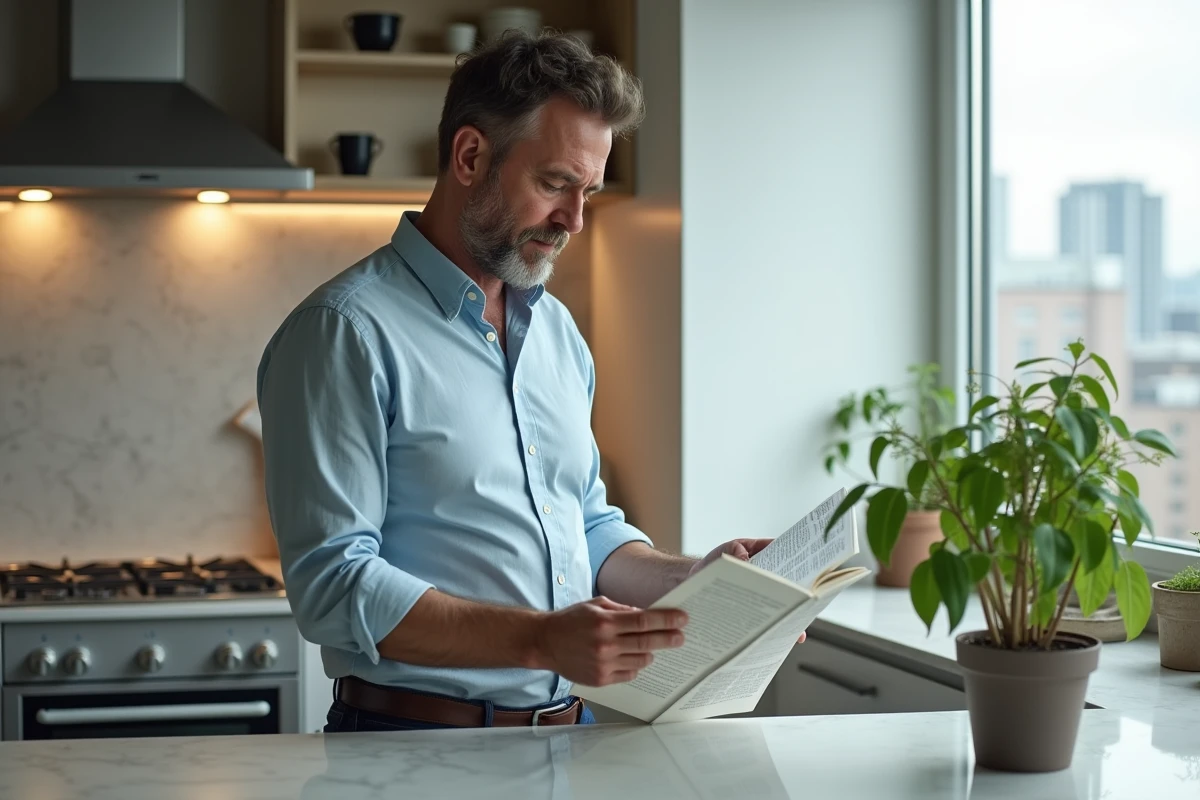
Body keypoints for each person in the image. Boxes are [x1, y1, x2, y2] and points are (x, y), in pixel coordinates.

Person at [257, 31, 799, 733]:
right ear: (470, 155)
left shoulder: (556, 333)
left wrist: (694, 581)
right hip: (410, 750)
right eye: (555, 184)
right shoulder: (343, 332)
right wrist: (541, 638)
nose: (574, 220)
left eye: (589, 192)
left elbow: (585, 523)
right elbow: (332, 586)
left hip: (567, 743)